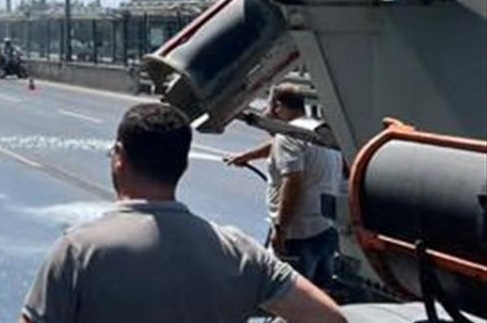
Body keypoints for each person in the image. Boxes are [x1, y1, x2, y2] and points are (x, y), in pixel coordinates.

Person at [21, 102, 344, 323]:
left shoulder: (79, 251)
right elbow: (329, 318)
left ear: (119, 156)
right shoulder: (239, 251)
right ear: (184, 164)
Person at [225, 84, 345, 290]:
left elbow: (293, 182)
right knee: (320, 296)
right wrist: (247, 156)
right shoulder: (315, 130)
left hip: (298, 234)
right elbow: (282, 148)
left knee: (290, 299)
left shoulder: (287, 136)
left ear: (278, 107)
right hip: (326, 230)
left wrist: (281, 229)